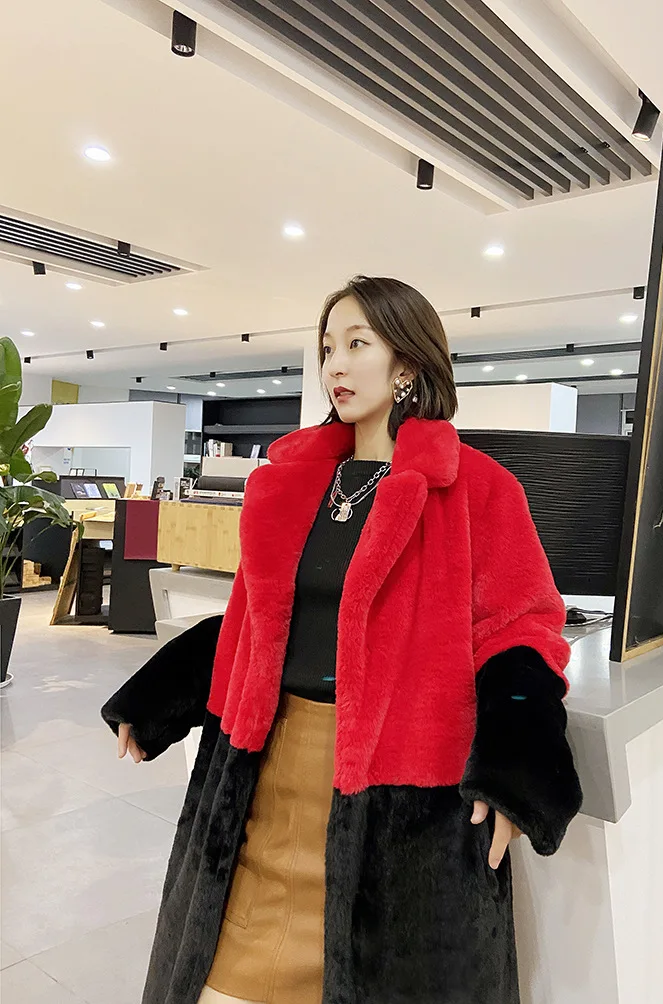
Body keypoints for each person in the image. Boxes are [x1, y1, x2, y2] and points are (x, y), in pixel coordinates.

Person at [102, 275, 582, 1004]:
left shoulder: (477, 489)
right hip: (264, 772)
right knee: (219, 976)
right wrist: (164, 695)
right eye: (328, 348)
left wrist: (518, 767)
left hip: (401, 801)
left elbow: (522, 631)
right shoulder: (291, 484)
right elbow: (259, 622)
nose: (335, 366)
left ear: (407, 364)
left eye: (358, 344)